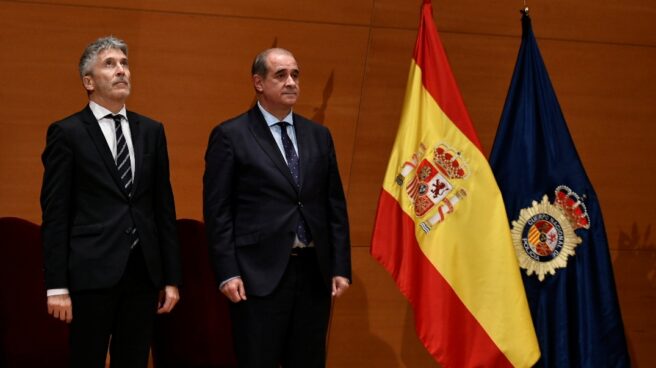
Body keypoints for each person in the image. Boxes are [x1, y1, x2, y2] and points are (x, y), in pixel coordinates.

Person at [203, 48, 352, 367]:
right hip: (258, 274)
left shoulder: (319, 136)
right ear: (258, 82)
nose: (291, 82)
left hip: (313, 272)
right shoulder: (231, 135)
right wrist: (227, 272)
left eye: (295, 75)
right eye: (280, 75)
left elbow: (333, 205)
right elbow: (218, 213)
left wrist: (340, 265)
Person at [40, 36, 182, 368]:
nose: (121, 70)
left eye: (124, 64)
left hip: (143, 272)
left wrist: (171, 277)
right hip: (90, 272)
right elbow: (56, 213)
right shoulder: (67, 132)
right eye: (109, 64)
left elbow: (164, 208)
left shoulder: (151, 131)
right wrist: (56, 286)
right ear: (88, 82)